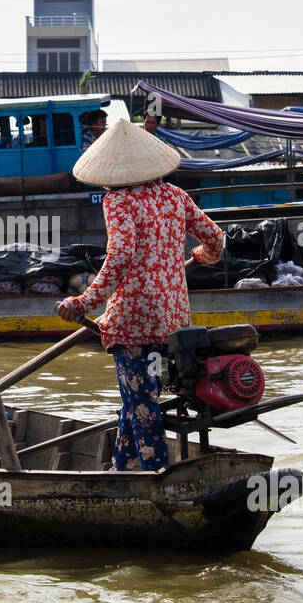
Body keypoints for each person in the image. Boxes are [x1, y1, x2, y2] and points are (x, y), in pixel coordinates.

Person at [56, 115, 225, 471]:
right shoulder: (175, 196)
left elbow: (121, 254)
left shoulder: (118, 201)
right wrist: (201, 257)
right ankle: (123, 468)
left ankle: (155, 475)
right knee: (138, 399)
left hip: (133, 320)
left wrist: (84, 302)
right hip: (173, 322)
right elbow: (216, 238)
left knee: (142, 403)